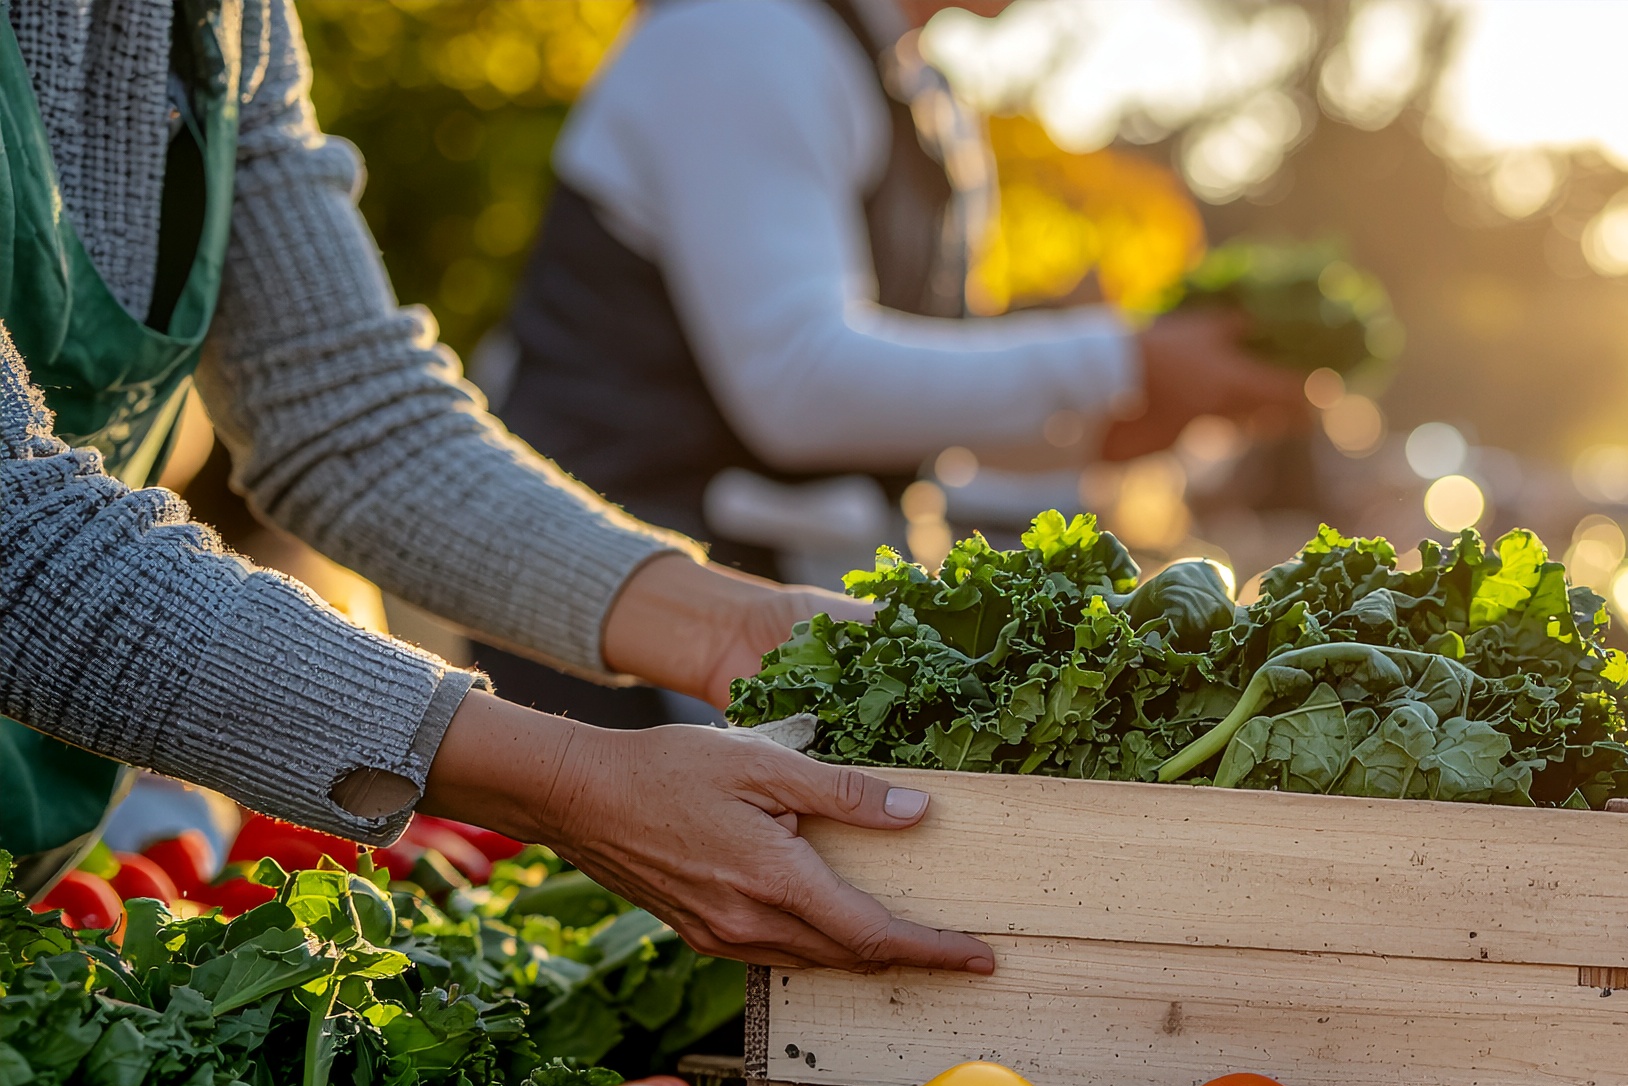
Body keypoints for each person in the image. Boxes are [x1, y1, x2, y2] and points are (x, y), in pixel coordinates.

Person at [0, 0, 988, 976]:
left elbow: (353, 420)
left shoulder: (232, 21)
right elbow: (14, 535)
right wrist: (570, 784)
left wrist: (733, 628)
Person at [482, 0, 1306, 728]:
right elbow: (795, 387)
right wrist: (1120, 360)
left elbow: (900, 409)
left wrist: (1108, 433)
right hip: (623, 647)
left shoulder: (916, 90)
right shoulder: (742, 34)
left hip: (761, 634)